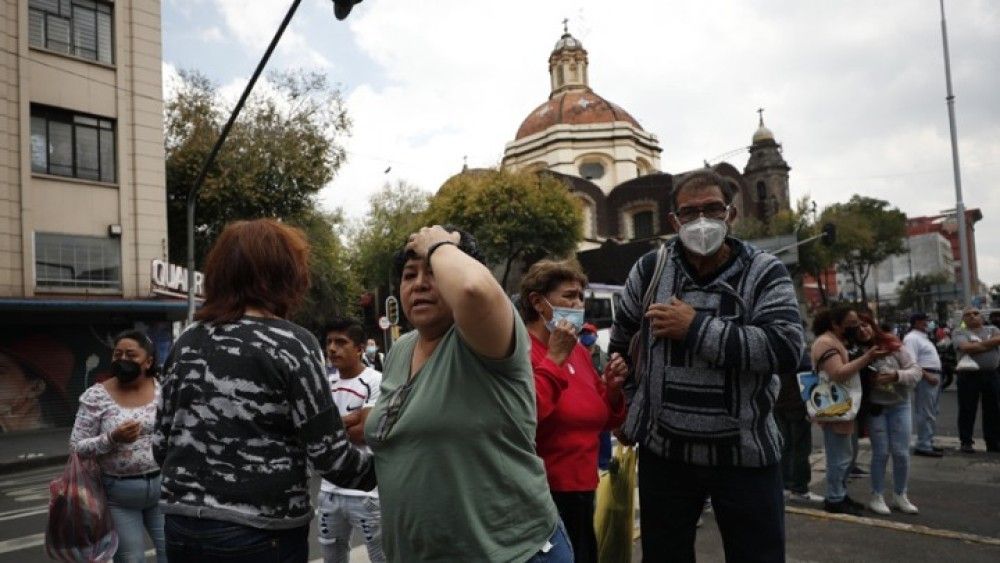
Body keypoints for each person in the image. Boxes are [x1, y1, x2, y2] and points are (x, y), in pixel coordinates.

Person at [608, 169, 805, 562]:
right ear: (674, 222)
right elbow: (621, 349)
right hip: (665, 456)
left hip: (745, 456)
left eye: (712, 209)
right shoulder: (649, 271)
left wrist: (695, 328)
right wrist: (631, 412)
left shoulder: (763, 271)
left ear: (730, 214)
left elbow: (785, 349)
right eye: (690, 212)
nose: (702, 221)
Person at [153, 219, 375, 562]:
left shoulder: (186, 342)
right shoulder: (291, 343)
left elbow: (160, 445)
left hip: (181, 529)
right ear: (284, 274)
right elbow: (330, 458)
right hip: (260, 534)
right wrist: (388, 468)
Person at [363, 225, 569, 562]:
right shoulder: (401, 349)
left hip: (510, 553)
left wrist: (439, 243)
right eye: (409, 275)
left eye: (434, 272)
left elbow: (474, 289)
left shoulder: (485, 337)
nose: (419, 284)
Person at [520, 259, 628, 562]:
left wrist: (613, 389)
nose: (578, 304)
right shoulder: (520, 352)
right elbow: (525, 416)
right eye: (569, 296)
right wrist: (554, 358)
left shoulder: (579, 351)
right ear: (538, 303)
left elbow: (605, 418)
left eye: (581, 296)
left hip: (583, 491)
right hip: (542, 498)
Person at [69, 330, 166, 563]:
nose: (123, 360)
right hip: (119, 496)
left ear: (148, 361)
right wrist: (112, 438)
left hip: (163, 491)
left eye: (131, 355)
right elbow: (76, 446)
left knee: (173, 553)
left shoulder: (163, 389)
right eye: (117, 354)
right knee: (132, 559)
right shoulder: (96, 396)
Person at [316, 318, 385, 563]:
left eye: (341, 342)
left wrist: (329, 429)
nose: (332, 348)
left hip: (366, 492)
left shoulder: (376, 381)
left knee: (381, 558)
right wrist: (350, 419)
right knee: (331, 557)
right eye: (329, 343)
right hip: (328, 492)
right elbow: (313, 431)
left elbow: (364, 432)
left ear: (360, 348)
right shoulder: (324, 383)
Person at [810, 305, 889, 516]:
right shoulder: (826, 342)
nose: (855, 327)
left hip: (843, 406)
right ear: (836, 325)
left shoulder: (836, 341)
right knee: (839, 456)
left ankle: (840, 494)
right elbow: (837, 373)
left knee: (846, 455)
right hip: (836, 405)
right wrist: (866, 358)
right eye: (851, 324)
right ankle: (835, 498)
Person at [856, 316, 923, 515]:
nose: (862, 330)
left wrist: (896, 376)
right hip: (875, 408)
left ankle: (900, 495)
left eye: (865, 325)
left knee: (901, 453)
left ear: (873, 325)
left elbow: (916, 371)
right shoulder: (854, 351)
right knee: (881, 453)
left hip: (900, 405)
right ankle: (877, 496)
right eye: (856, 327)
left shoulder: (892, 345)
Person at [775, 346, 823, 503]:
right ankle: (799, 488)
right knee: (801, 448)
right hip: (797, 405)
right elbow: (808, 377)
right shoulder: (798, 352)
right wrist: (812, 406)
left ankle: (785, 485)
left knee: (785, 446)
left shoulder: (775, 348)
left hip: (779, 403)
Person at [951, 307, 1000, 453]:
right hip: (968, 376)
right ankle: (966, 442)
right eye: (967, 315)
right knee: (967, 409)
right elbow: (965, 347)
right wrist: (989, 344)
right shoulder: (959, 332)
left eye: (975, 313)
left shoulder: (992, 329)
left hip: (991, 375)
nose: (972, 316)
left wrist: (977, 346)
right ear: (963, 320)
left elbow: (997, 339)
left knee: (993, 410)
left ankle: (993, 442)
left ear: (982, 316)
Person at [903, 313, 944, 457]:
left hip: (934, 375)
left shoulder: (923, 337)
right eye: (923, 321)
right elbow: (911, 362)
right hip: (926, 377)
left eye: (927, 321)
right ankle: (923, 445)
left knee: (932, 411)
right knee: (925, 412)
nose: (927, 323)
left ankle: (928, 441)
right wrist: (926, 376)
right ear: (915, 323)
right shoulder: (911, 338)